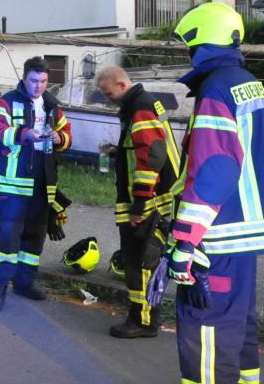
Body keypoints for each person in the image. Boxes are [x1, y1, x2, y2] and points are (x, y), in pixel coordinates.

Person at [167, 3, 264, 384]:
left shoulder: (215, 89)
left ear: (201, 41)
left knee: (208, 335)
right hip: (244, 237)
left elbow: (215, 170)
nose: (187, 53)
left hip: (217, 238)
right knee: (238, 330)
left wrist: (185, 242)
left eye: (188, 46)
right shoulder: (247, 82)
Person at [96, 65, 180, 338]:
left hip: (148, 202)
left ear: (121, 84)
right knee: (140, 261)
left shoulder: (140, 108)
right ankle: (142, 317)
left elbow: (150, 159)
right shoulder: (141, 104)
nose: (108, 98)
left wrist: (140, 205)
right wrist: (118, 153)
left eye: (109, 93)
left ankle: (143, 322)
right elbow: (144, 148)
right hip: (155, 198)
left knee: (140, 263)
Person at [0, 56, 72, 310]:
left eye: (44, 81)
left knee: (34, 239)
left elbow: (68, 135)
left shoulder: (53, 106)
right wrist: (24, 134)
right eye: (34, 80)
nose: (39, 86)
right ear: (25, 78)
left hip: (42, 185)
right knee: (7, 240)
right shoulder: (7, 102)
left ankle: (24, 284)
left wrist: (60, 138)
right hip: (12, 185)